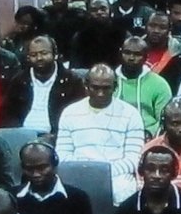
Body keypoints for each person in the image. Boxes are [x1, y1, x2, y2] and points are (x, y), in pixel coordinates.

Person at [57, 64, 145, 204]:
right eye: (95, 88)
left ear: (115, 87)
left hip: (116, 176)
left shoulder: (131, 114)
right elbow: (62, 154)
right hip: (78, 172)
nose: (100, 93)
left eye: (106, 88)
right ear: (86, 86)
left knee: (124, 192)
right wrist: (85, 171)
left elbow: (134, 158)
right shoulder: (69, 112)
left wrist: (103, 173)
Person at [1, 36, 86, 134]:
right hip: (22, 135)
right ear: (28, 58)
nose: (39, 58)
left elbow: (78, 114)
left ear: (55, 55)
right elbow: (8, 114)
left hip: (57, 135)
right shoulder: (19, 81)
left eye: (44, 53)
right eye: (33, 55)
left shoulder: (72, 80)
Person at [116, 36, 174, 136]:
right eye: (127, 53)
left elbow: (164, 120)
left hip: (148, 136)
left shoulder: (160, 84)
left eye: (137, 54)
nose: (131, 58)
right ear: (120, 53)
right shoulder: (109, 81)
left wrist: (150, 133)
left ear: (146, 57)